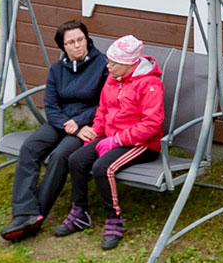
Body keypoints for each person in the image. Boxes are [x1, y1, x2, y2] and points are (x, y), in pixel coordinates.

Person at [54, 34, 166, 250]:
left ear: (128, 63)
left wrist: (118, 139)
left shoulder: (150, 84)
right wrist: (95, 133)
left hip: (141, 144)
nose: (108, 66)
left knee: (103, 168)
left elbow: (152, 124)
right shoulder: (113, 78)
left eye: (113, 63)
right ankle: (80, 214)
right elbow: (103, 110)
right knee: (76, 159)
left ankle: (114, 221)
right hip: (111, 138)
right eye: (108, 61)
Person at [0, 20, 107, 242]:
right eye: (71, 42)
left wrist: (77, 125)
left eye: (81, 39)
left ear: (87, 39)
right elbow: (51, 105)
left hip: (88, 125)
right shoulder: (57, 70)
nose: (78, 45)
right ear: (63, 47)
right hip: (60, 123)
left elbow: (103, 103)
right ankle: (23, 212)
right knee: (30, 147)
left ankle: (37, 215)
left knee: (60, 155)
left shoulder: (102, 65)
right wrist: (66, 122)